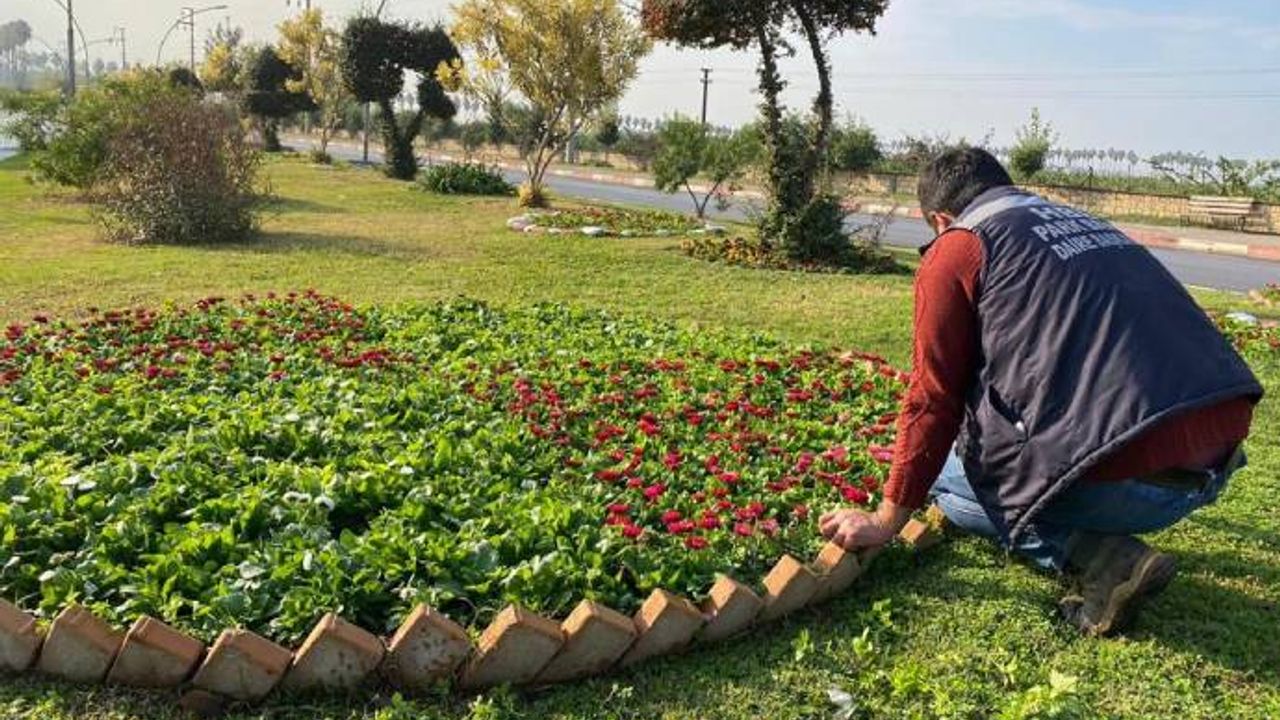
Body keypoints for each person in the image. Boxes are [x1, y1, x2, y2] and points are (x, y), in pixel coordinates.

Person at [819, 148, 1263, 636]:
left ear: (941, 219)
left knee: (951, 480)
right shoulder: (1079, 222)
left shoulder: (960, 246)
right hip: (1214, 464)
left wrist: (886, 520)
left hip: (1138, 483)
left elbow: (934, 398)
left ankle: (1103, 559)